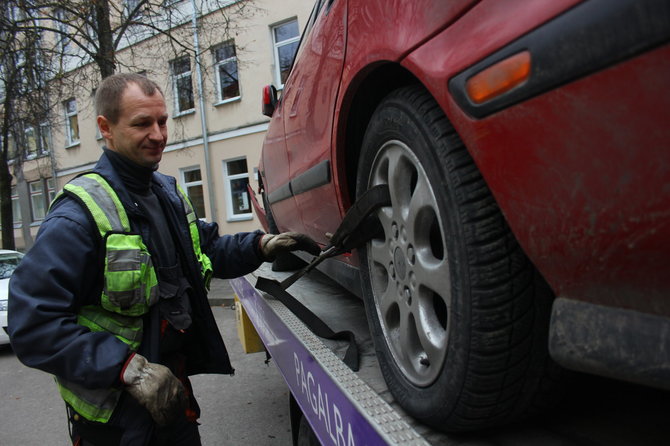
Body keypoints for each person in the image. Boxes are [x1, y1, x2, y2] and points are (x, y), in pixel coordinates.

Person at [8, 73, 320, 446]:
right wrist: (127, 369)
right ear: (106, 128)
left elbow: (205, 253)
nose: (158, 135)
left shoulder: (167, 194)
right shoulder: (78, 216)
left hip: (172, 395)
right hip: (116, 419)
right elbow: (31, 325)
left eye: (162, 121)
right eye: (142, 123)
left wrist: (260, 246)